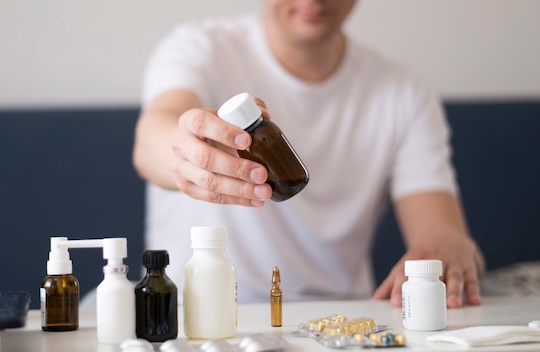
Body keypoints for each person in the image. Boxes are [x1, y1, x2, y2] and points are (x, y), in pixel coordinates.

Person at [132, 0, 485, 308]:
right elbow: (154, 138)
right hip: (198, 311)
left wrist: (450, 247)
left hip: (337, 320)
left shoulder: (404, 93)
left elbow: (438, 231)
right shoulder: (199, 48)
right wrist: (185, 154)